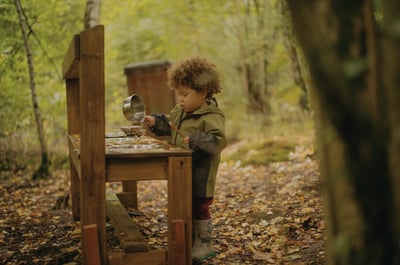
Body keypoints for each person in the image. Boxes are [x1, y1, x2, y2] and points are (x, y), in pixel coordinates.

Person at [144, 56, 227, 261]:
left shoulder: (211, 116)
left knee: (199, 206)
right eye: (178, 94)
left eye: (185, 94)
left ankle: (204, 243)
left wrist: (197, 140)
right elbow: (170, 126)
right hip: (180, 170)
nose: (180, 99)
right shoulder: (180, 111)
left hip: (200, 173)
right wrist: (155, 121)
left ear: (204, 91)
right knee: (183, 203)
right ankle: (187, 239)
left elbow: (218, 141)